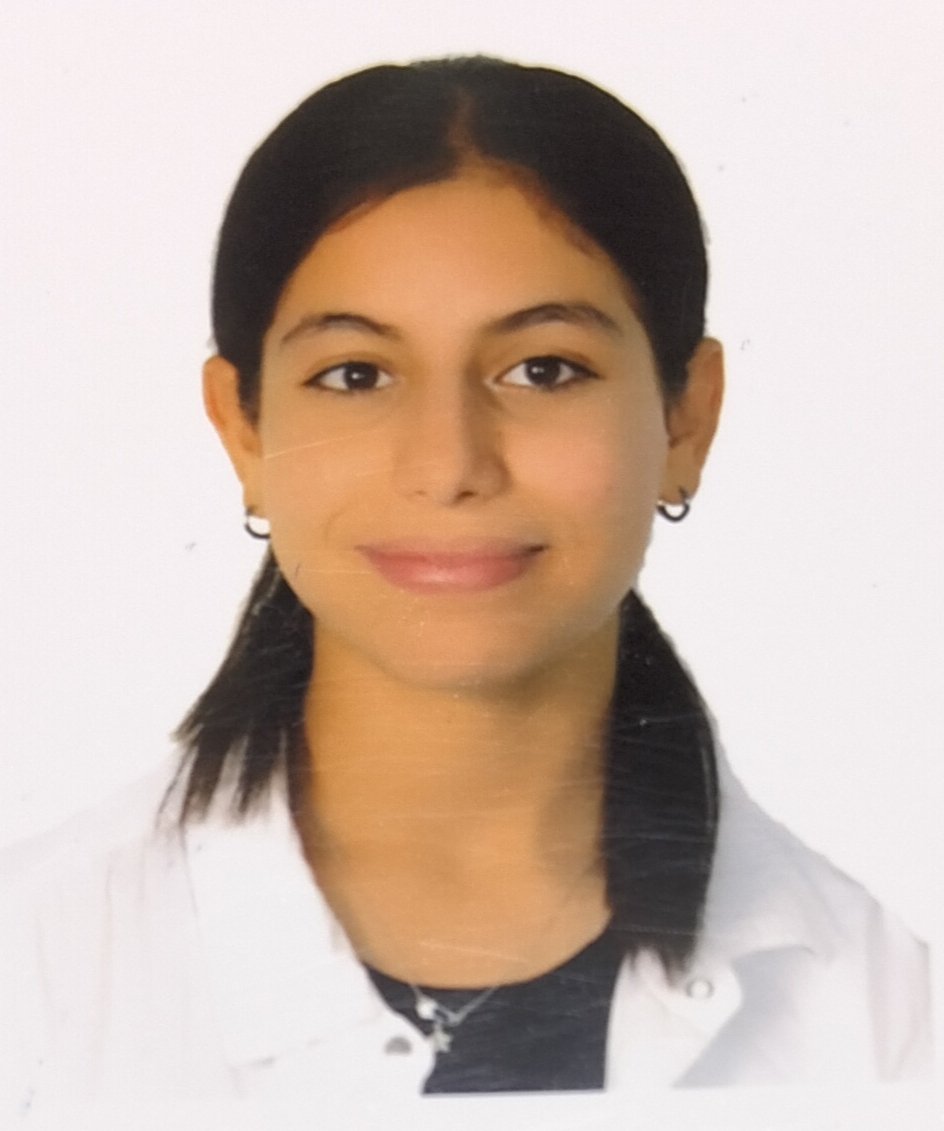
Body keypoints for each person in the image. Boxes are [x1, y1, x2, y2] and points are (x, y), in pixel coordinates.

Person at [0, 56, 930, 1109]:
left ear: (685, 418)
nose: (448, 465)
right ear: (243, 429)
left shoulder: (885, 1018)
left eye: (543, 369)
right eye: (355, 375)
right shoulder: (32, 979)